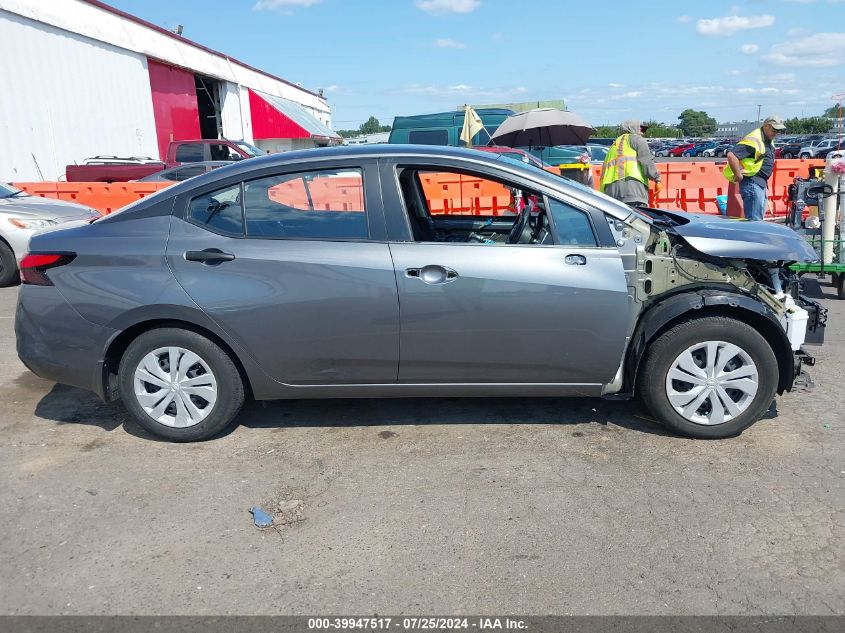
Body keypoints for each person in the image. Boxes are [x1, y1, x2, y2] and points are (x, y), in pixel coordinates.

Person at [723, 115, 786, 221]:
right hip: (752, 183)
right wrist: (738, 175)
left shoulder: (767, 139)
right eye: (774, 130)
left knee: (757, 219)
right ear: (766, 126)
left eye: (778, 131)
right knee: (755, 220)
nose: (776, 133)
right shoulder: (754, 140)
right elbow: (732, 155)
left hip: (759, 183)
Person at [599, 120, 661, 207]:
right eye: (641, 129)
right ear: (633, 128)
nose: (642, 133)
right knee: (638, 219)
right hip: (632, 189)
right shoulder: (637, 140)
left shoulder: (614, 145)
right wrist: (657, 179)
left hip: (611, 192)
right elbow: (647, 161)